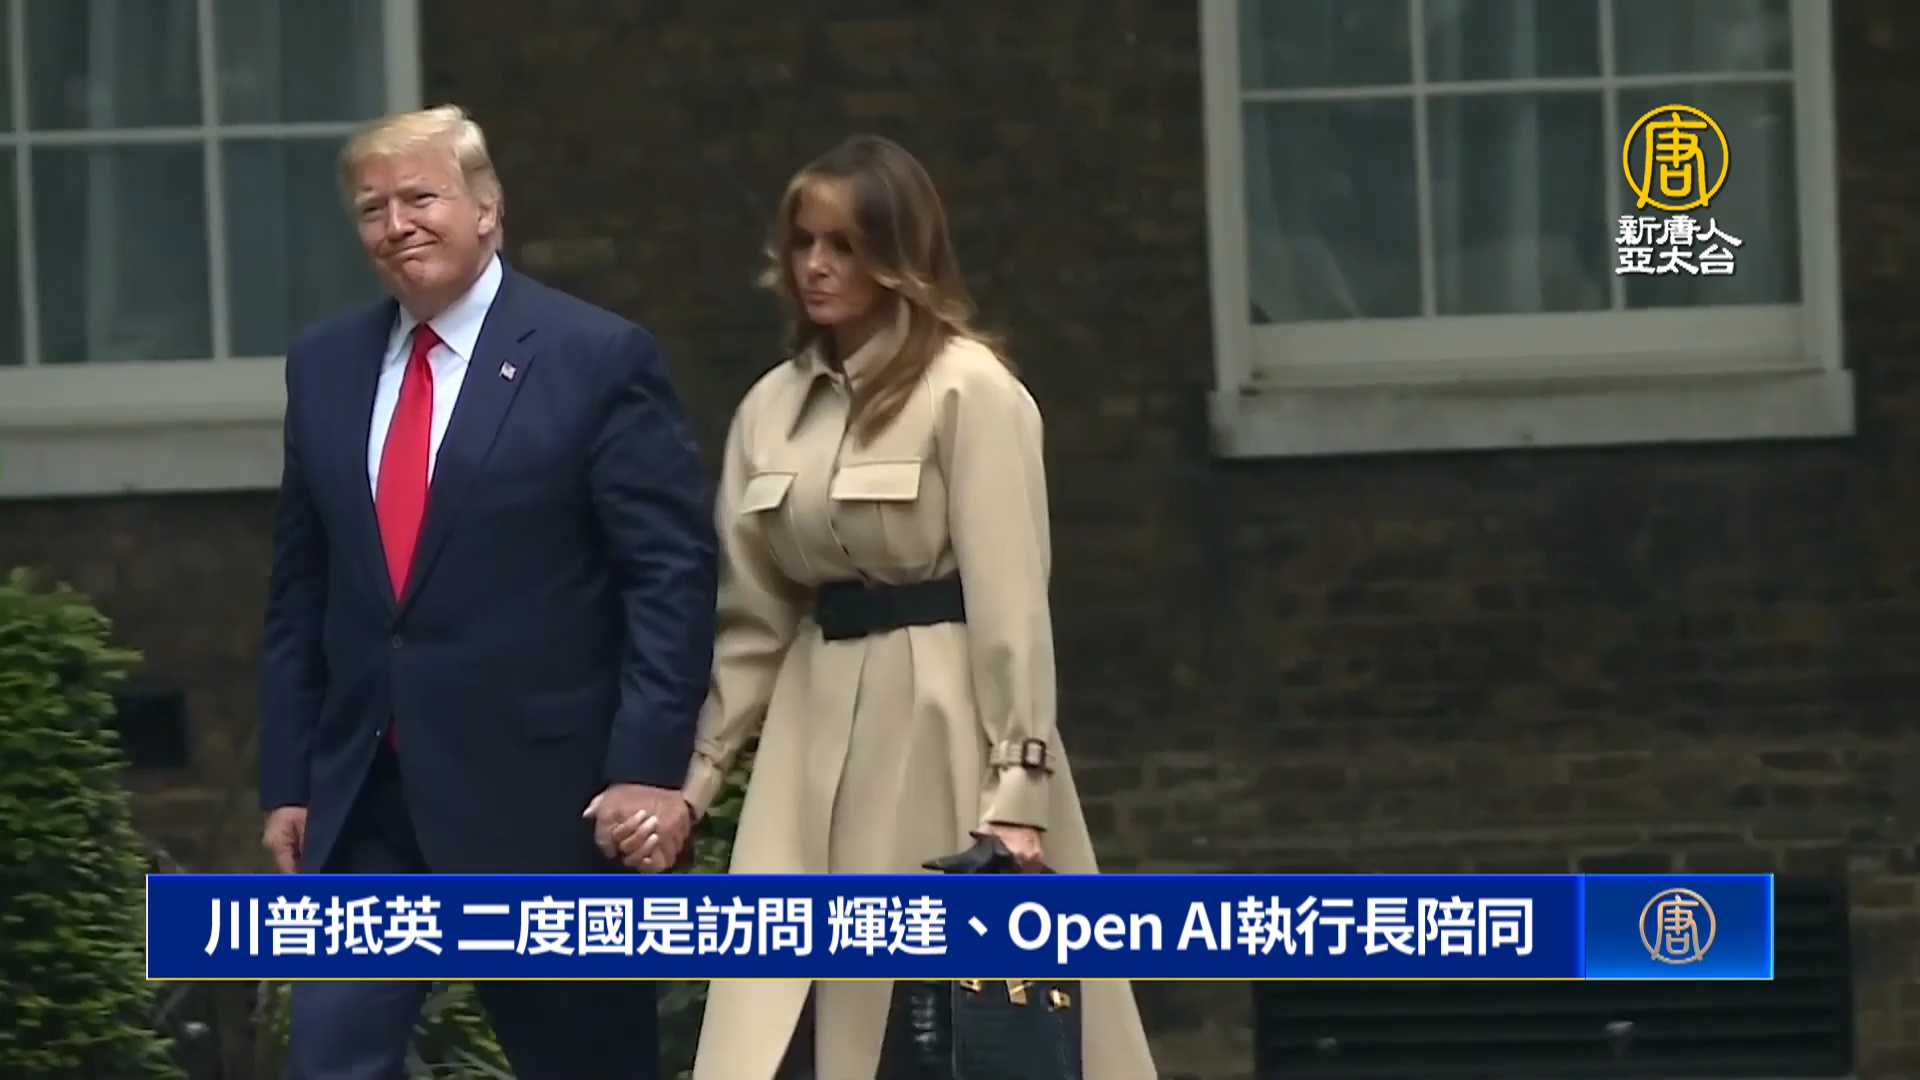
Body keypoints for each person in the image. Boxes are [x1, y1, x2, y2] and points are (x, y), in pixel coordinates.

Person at [612, 134, 1160, 1079]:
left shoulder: (971, 391)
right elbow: (751, 626)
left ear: (900, 255)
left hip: (944, 721)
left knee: (939, 1028)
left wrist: (1017, 795)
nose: (816, 266)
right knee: (778, 1023)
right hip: (808, 730)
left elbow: (1014, 609)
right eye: (802, 243)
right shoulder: (770, 409)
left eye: (846, 245)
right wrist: (692, 788)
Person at [256, 104, 718, 1079]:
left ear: (487, 210)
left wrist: (648, 768)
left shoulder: (594, 358)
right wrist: (291, 780)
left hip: (544, 804)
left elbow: (668, 579)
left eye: (420, 198)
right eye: (372, 209)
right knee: (331, 1057)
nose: (397, 225)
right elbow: (303, 588)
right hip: (370, 800)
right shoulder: (326, 365)